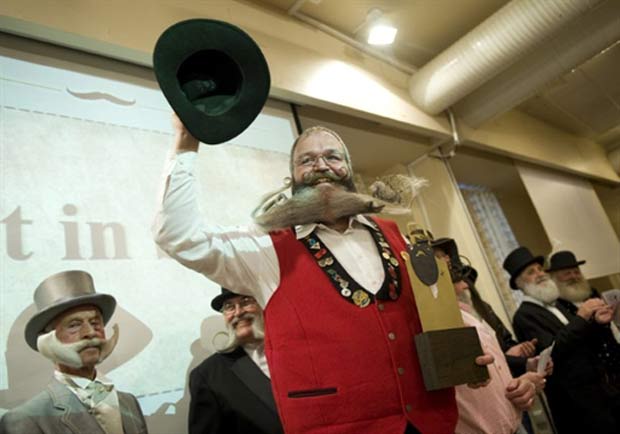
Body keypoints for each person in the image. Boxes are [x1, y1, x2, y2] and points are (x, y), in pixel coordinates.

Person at [153, 117, 492, 434]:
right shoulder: (265, 250)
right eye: (307, 161)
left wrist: (463, 362)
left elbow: (424, 318)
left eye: (332, 157)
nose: (321, 167)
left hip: (428, 422)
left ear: (348, 170)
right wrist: (186, 144)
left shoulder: (396, 236)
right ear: (291, 180)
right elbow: (179, 237)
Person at [0, 270, 147, 434]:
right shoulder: (25, 420)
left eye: (95, 322)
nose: (90, 332)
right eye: (74, 325)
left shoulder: (129, 403)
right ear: (47, 341)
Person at [504, 246, 620, 434]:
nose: (540, 274)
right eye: (531, 272)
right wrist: (582, 317)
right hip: (574, 404)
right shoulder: (524, 315)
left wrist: (598, 322)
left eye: (540, 269)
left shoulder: (557, 303)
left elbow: (580, 338)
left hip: (601, 393)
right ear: (520, 284)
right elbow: (551, 351)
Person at [452, 272, 545, 434]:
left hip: (513, 418)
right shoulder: (441, 320)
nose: (466, 286)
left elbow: (501, 349)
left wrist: (524, 375)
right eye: (458, 281)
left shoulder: (479, 312)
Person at [431, 238, 537, 376]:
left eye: (446, 255)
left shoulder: (484, 307)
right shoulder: (442, 315)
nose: (466, 285)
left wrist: (519, 349)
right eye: (439, 257)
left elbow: (505, 340)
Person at [188, 288, 283, 434]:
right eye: (229, 307)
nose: (238, 313)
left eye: (246, 301)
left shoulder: (298, 351)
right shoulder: (208, 375)